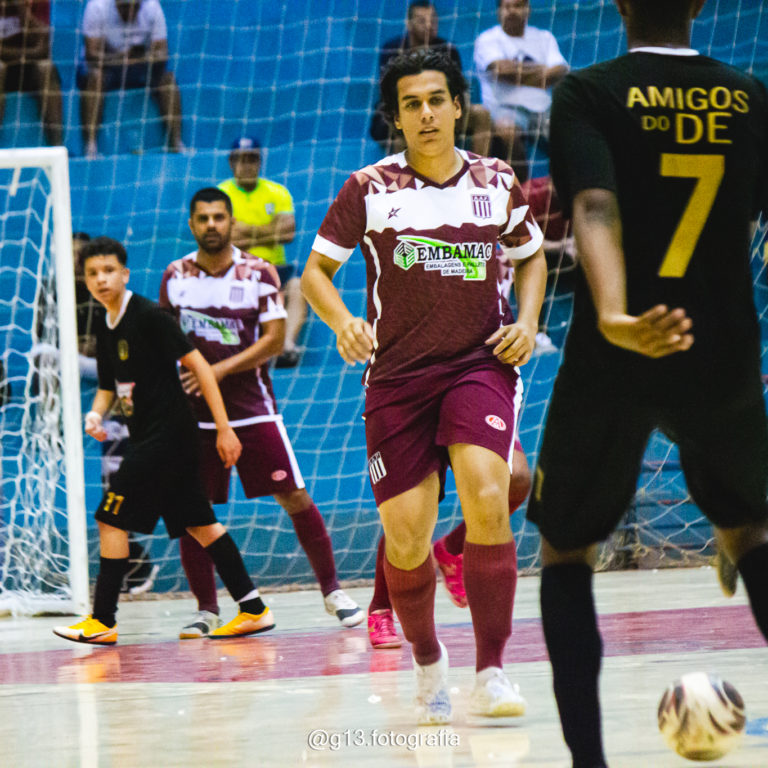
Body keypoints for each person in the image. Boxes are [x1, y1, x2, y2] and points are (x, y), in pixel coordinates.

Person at [525, 0, 768, 765]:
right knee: (754, 533)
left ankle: (589, 763)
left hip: (617, 351)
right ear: (699, 5)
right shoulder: (751, 95)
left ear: (620, 4)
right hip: (722, 346)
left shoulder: (588, 92)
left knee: (566, 553)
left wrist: (615, 314)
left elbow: (594, 205)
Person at [302, 48, 548, 724]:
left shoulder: (497, 180)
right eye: (412, 103)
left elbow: (532, 263)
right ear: (398, 117)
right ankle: (429, 666)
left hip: (479, 362)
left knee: (491, 492)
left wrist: (527, 322)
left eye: (437, 98)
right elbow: (315, 274)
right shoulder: (368, 187)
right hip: (398, 378)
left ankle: (493, 672)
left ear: (458, 105)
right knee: (406, 538)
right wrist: (343, 319)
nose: (427, 112)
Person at [159, 187, 363, 638]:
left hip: (253, 408)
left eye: (219, 217)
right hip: (193, 415)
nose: (211, 224)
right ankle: (206, 609)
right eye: (203, 218)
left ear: (231, 222)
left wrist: (215, 371)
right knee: (196, 511)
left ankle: (333, 592)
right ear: (192, 225)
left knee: (294, 495)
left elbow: (273, 340)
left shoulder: (259, 272)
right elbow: (166, 341)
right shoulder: (174, 276)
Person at [53, 236, 273, 644]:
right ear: (84, 281)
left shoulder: (150, 315)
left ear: (125, 274)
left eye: (108, 271)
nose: (101, 280)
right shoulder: (104, 322)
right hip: (154, 437)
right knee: (201, 524)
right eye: (92, 274)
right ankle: (254, 609)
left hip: (168, 436)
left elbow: (201, 368)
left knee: (109, 517)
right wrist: (95, 413)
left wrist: (224, 428)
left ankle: (103, 619)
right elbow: (108, 384)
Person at [368, 442, 532, 649]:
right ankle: (381, 605)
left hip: (476, 408)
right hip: (414, 411)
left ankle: (451, 548)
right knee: (412, 504)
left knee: (516, 479)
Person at [218, 137, 307, 368]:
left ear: (260, 162)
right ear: (231, 162)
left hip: (276, 267)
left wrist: (246, 230)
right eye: (241, 159)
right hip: (238, 267)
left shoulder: (277, 192)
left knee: (299, 286)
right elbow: (228, 239)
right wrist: (270, 229)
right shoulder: (220, 194)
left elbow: (287, 233)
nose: (247, 165)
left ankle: (286, 346)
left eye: (252, 159)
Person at [370, 1, 491, 158]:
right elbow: (388, 94)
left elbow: (458, 90)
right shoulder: (392, 50)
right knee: (401, 126)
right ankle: (405, 181)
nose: (429, 25)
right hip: (404, 111)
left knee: (481, 114)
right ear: (409, 24)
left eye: (433, 20)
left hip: (440, 109)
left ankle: (477, 174)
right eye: (422, 20)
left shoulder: (448, 50)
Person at [473, 0, 568, 180]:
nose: (511, 11)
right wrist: (540, 70)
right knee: (507, 131)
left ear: (528, 10)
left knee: (568, 131)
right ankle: (523, 192)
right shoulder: (487, 39)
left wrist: (517, 71)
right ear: (499, 11)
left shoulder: (544, 37)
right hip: (504, 109)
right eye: (506, 7)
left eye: (517, 6)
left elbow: (559, 71)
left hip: (543, 110)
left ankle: (560, 190)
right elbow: (502, 71)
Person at [78, 0, 184, 158]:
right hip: (108, 69)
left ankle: (176, 143)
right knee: (95, 78)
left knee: (167, 79)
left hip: (139, 67)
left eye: (135, 7)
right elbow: (92, 55)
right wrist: (122, 57)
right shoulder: (97, 7)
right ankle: (91, 146)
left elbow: (163, 53)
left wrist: (136, 59)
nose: (130, 12)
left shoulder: (152, 7)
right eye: (125, 7)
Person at [0, 0, 63, 146]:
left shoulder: (38, 2)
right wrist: (30, 53)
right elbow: (37, 50)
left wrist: (22, 11)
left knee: (46, 68)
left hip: (29, 70)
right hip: (6, 69)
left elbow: (44, 48)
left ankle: (58, 149)